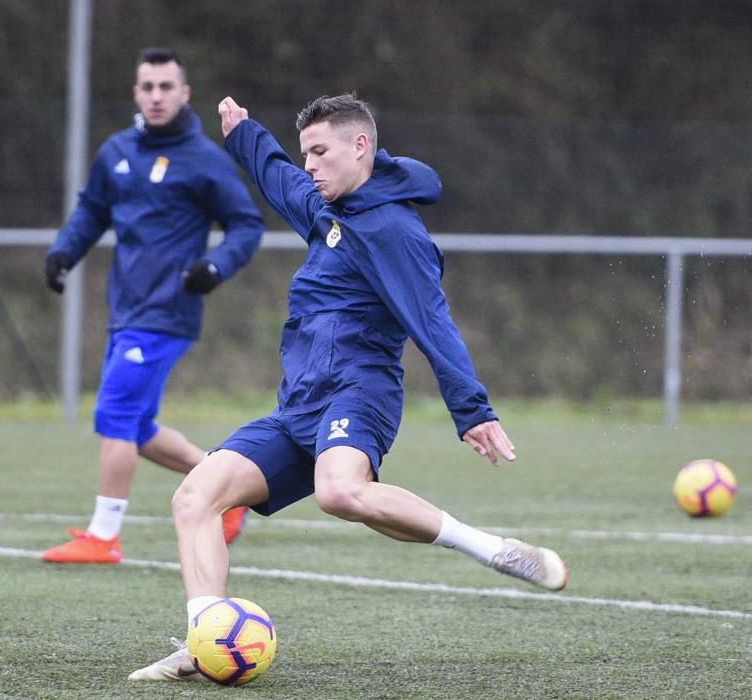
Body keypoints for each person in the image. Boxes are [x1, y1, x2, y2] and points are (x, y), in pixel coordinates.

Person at [128, 93, 568, 680]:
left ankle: (493, 549)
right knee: (193, 497)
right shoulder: (330, 210)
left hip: (359, 392)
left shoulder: (395, 231)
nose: (311, 165)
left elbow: (432, 322)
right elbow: (284, 183)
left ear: (361, 147)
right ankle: (205, 635)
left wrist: (472, 409)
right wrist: (246, 137)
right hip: (299, 405)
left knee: (338, 492)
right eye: (307, 152)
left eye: (320, 152)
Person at [41, 49, 265, 564]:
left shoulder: (204, 158)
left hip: (168, 309)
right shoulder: (118, 151)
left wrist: (215, 267)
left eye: (167, 86)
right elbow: (93, 210)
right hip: (126, 307)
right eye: (148, 87)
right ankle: (228, 493)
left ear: (185, 94)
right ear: (136, 93)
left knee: (116, 414)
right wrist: (63, 252)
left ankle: (103, 536)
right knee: (136, 429)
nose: (157, 95)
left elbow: (245, 224)